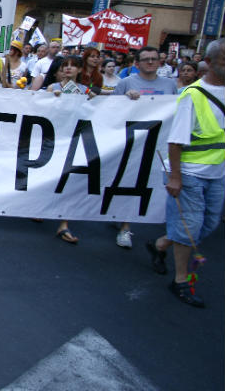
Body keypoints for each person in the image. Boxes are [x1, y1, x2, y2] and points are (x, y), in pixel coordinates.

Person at [147, 39, 224, 308]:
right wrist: (176, 177)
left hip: (218, 173)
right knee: (190, 228)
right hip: (190, 173)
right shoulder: (193, 95)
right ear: (211, 63)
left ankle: (160, 245)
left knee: (208, 224)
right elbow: (175, 141)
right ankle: (181, 281)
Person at [111, 47, 179, 247]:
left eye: (154, 59)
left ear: (159, 62)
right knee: (132, 182)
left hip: (159, 142)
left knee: (155, 182)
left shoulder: (169, 85)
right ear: (137, 63)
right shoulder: (126, 83)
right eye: (146, 59)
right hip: (132, 140)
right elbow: (111, 111)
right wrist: (125, 100)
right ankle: (125, 227)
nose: (150, 62)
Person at [46, 55, 96, 243]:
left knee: (69, 179)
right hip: (54, 138)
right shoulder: (53, 88)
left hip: (74, 139)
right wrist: (52, 99)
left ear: (80, 70)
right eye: (65, 66)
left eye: (73, 66)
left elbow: (96, 110)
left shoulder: (86, 91)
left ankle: (63, 224)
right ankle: (40, 208)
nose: (68, 69)